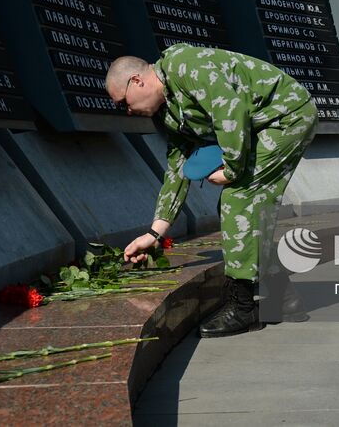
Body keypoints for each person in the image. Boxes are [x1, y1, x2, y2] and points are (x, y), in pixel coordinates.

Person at [107, 43, 317, 337]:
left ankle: (242, 307)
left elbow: (229, 110)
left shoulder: (187, 66)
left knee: (238, 199)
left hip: (286, 117)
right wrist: (155, 233)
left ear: (137, 81)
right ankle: (285, 298)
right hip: (259, 126)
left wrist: (231, 169)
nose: (127, 111)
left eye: (123, 102)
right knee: (239, 208)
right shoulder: (166, 112)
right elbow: (177, 170)